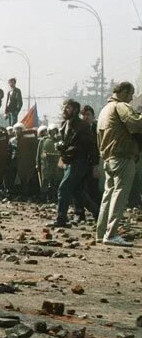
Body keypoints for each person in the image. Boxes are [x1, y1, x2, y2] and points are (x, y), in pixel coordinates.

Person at [94, 81, 142, 245]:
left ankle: (101, 233)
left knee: (108, 196)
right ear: (122, 92)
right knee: (120, 196)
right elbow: (136, 123)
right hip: (123, 157)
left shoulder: (104, 110)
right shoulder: (120, 106)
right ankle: (112, 234)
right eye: (130, 94)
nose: (131, 99)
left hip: (108, 158)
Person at [49, 99, 98, 229]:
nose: (64, 109)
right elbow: (66, 142)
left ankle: (61, 219)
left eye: (68, 107)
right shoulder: (65, 124)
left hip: (79, 162)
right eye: (64, 107)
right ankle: (99, 214)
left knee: (63, 188)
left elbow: (92, 146)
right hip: (69, 162)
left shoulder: (82, 126)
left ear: (75, 110)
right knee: (78, 193)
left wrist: (95, 165)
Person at [36, 126, 60, 201]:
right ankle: (43, 198)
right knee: (45, 181)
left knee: (55, 181)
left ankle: (53, 197)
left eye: (55, 131)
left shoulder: (58, 141)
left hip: (56, 164)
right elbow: (39, 152)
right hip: (46, 164)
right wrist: (37, 163)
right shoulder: (43, 140)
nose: (53, 133)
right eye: (52, 131)